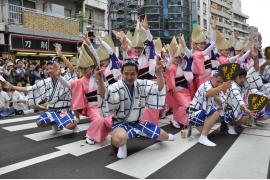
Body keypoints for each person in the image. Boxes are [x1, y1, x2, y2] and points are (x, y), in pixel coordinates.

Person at [95, 58, 174, 159]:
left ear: (137, 73)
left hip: (138, 123)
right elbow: (104, 95)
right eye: (126, 73)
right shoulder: (116, 86)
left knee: (165, 137)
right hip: (121, 123)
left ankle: (157, 135)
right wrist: (100, 80)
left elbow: (158, 88)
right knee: (119, 139)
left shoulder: (142, 84)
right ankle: (121, 144)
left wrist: (159, 73)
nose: (129, 77)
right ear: (122, 73)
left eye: (132, 74)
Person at [1, 59, 79, 134]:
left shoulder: (65, 78)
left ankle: (75, 121)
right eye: (47, 69)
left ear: (57, 68)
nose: (49, 71)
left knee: (70, 126)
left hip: (63, 109)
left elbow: (72, 69)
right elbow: (29, 88)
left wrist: (62, 56)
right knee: (39, 123)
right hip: (52, 109)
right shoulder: (46, 81)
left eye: (51, 68)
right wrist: (12, 86)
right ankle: (55, 122)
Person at [57, 41, 112, 145]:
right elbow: (68, 84)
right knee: (99, 120)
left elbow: (96, 58)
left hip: (107, 105)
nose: (83, 70)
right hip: (93, 107)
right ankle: (89, 135)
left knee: (112, 121)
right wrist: (58, 76)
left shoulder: (100, 73)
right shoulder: (80, 81)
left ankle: (101, 132)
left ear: (92, 67)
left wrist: (89, 45)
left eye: (86, 68)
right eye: (81, 68)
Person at [188, 71, 232, 147]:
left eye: (221, 82)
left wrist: (216, 93)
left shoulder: (217, 88)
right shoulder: (205, 85)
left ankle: (203, 128)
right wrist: (221, 88)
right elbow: (208, 93)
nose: (219, 84)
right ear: (211, 78)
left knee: (227, 111)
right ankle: (203, 137)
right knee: (215, 111)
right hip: (194, 115)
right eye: (217, 81)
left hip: (204, 115)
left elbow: (223, 103)